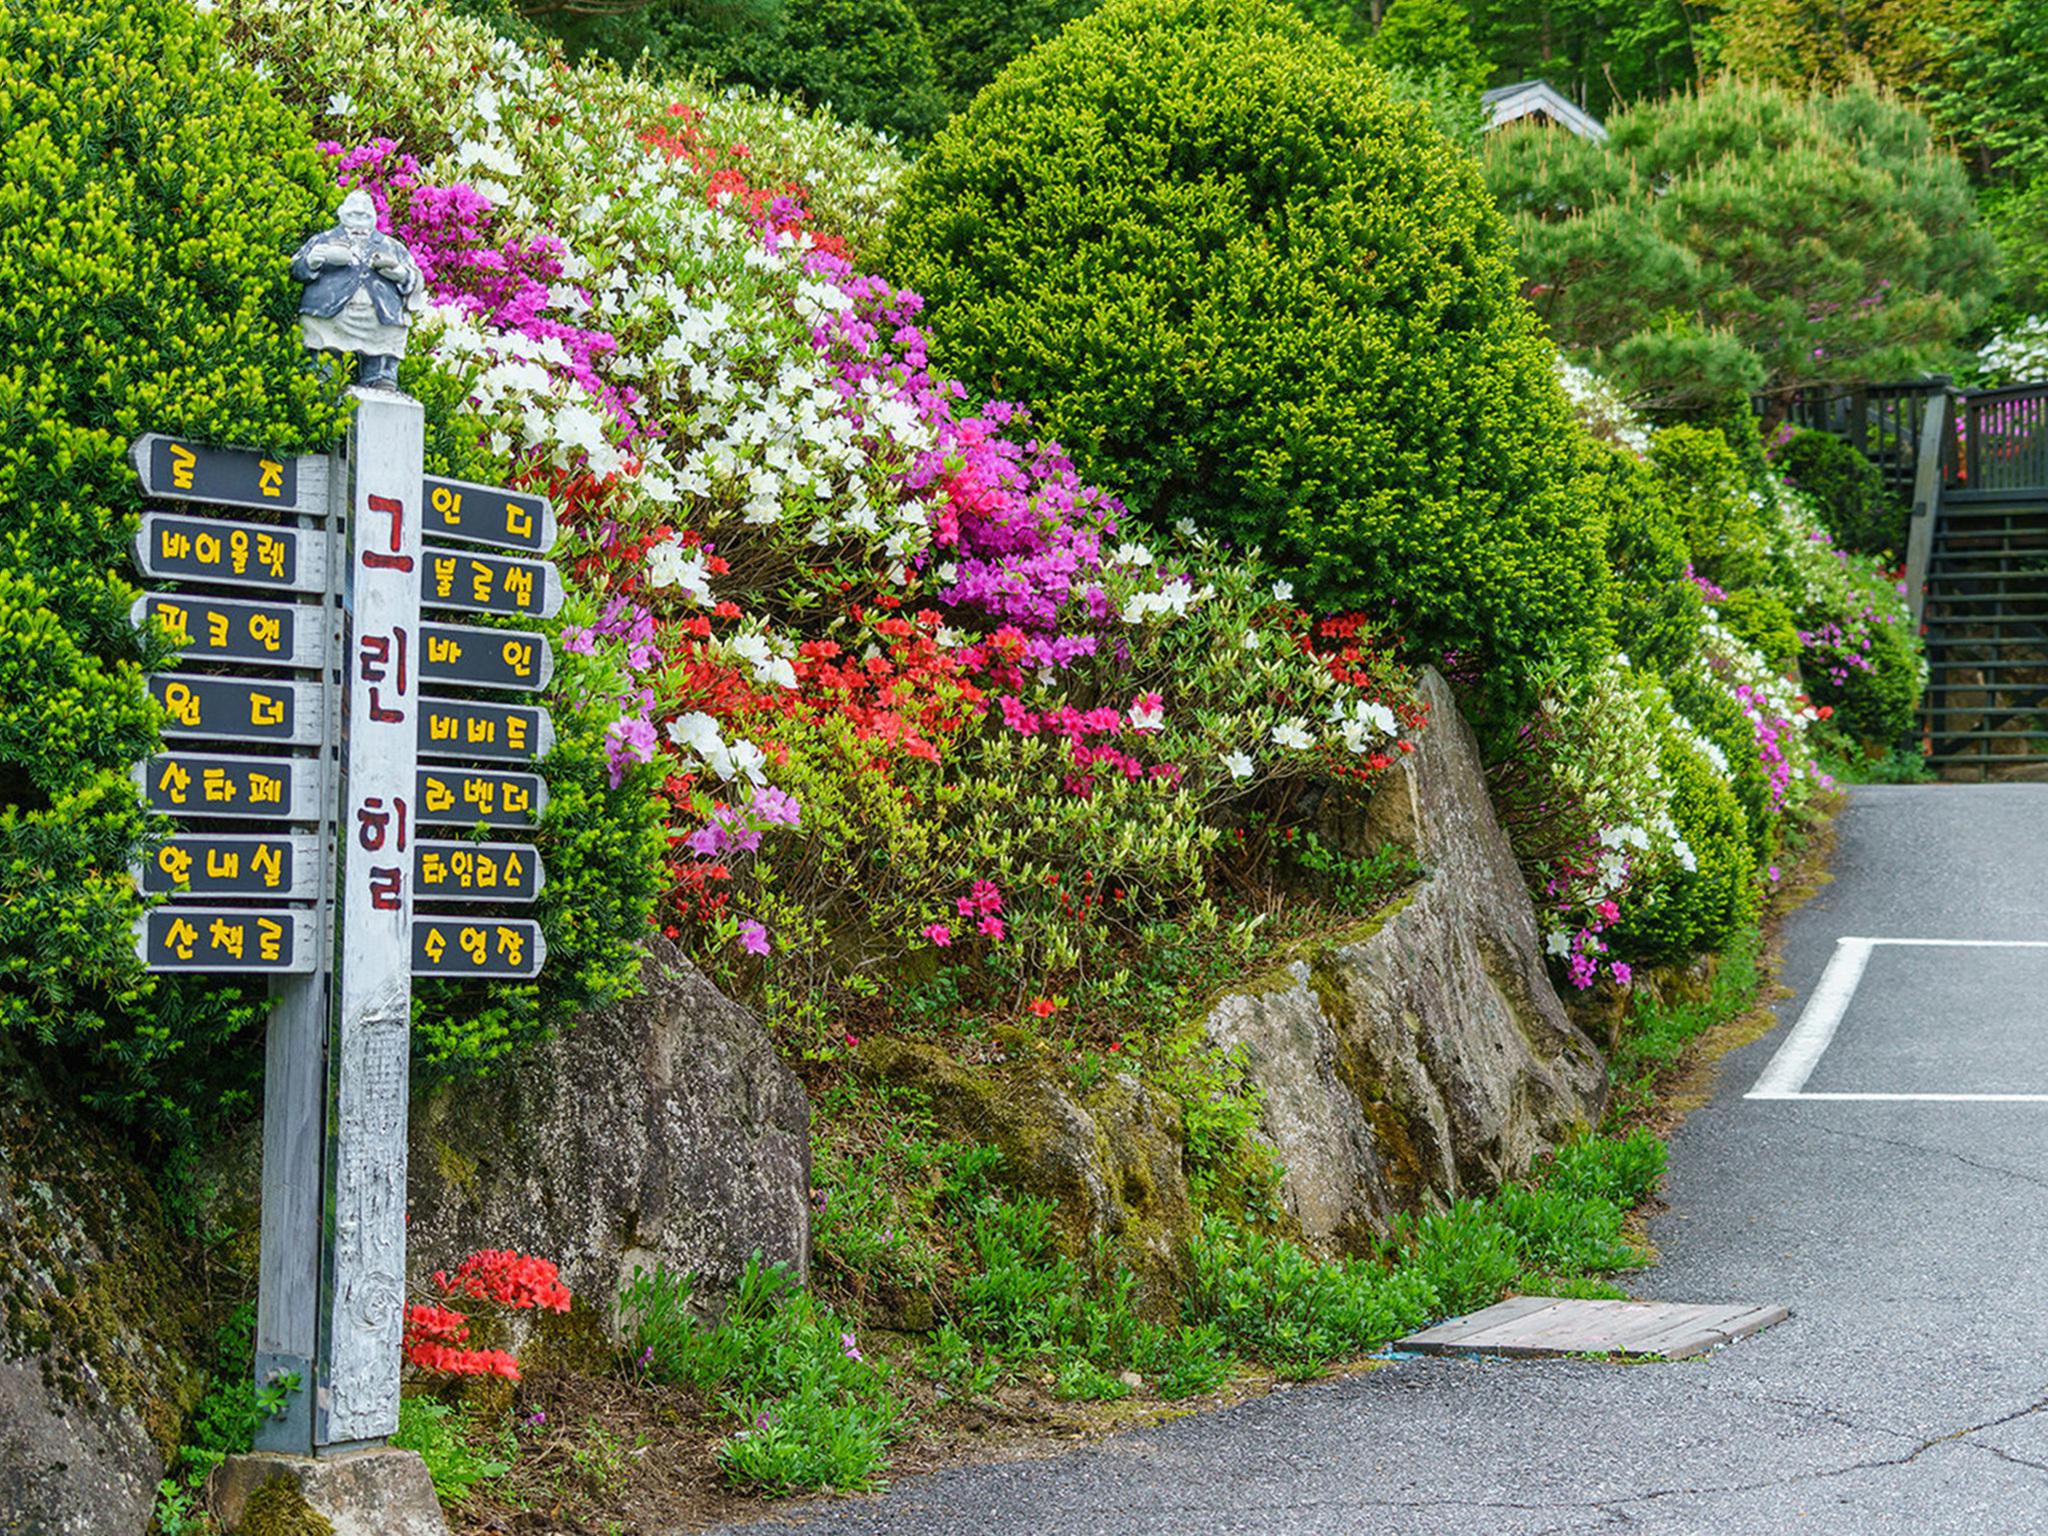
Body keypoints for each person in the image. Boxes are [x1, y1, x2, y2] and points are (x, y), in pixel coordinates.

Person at [290, 189, 424, 390]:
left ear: (374, 216)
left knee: (388, 341)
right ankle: (324, 376)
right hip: (330, 312)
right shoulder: (323, 240)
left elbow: (415, 276)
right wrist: (311, 262)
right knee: (324, 362)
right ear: (341, 212)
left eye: (365, 213)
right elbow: (296, 268)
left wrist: (401, 274)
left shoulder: (392, 246)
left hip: (380, 314)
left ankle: (380, 378)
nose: (360, 215)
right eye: (354, 213)